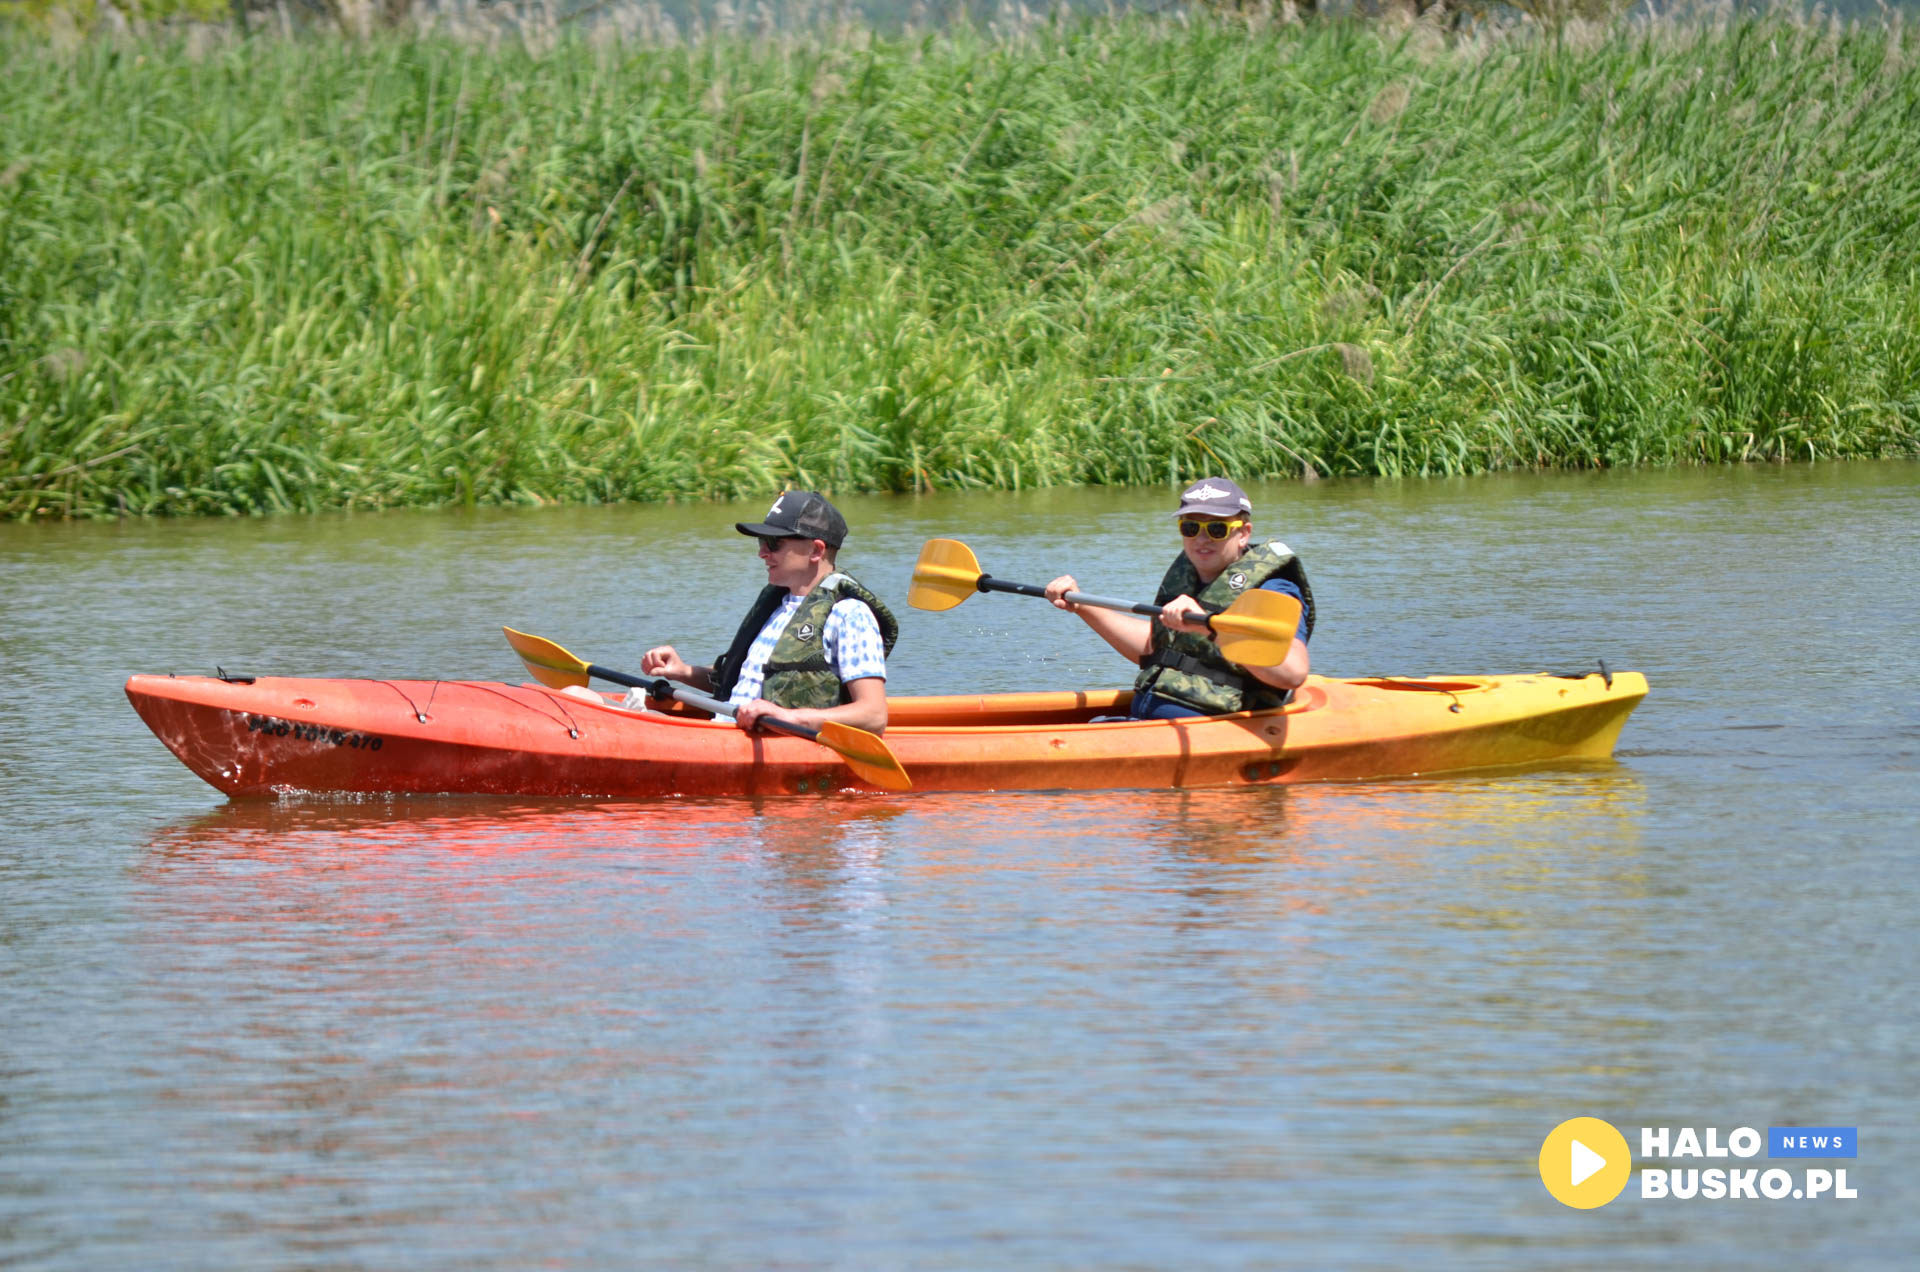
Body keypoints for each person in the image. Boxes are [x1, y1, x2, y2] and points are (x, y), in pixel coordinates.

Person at [1044, 476, 1315, 719]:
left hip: (1221, 728)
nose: (1201, 539)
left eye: (1217, 529)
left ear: (1243, 533)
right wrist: (1082, 606)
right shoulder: (1188, 576)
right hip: (1150, 722)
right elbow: (1153, 647)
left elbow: (1292, 673)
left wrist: (1208, 626)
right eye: (1190, 528)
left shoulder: (1272, 589)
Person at [638, 491, 898, 734]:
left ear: (816, 551)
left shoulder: (850, 615)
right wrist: (683, 671)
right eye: (763, 541)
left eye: (774, 543)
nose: (762, 553)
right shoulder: (777, 605)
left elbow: (873, 715)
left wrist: (790, 717)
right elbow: (744, 682)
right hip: (727, 734)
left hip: (781, 745)